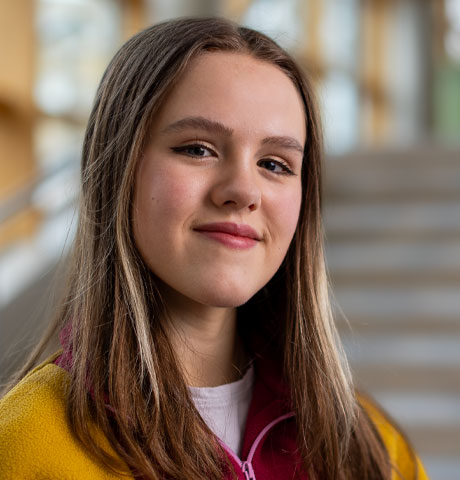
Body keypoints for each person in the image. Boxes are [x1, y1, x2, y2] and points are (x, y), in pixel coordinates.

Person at [0, 17, 428, 480]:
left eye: (274, 163)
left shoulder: (371, 448)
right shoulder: (30, 444)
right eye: (198, 149)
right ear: (118, 170)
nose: (243, 190)